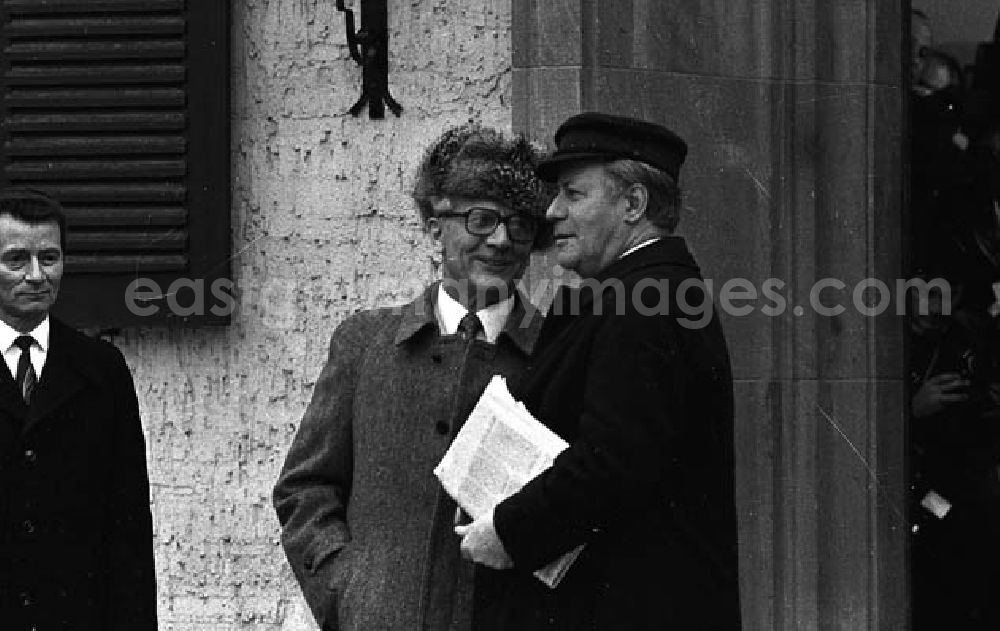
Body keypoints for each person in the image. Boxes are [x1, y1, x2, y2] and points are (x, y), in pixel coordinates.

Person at [456, 112, 741, 629]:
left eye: (573, 194)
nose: (553, 212)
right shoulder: (646, 292)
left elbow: (613, 462)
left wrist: (508, 532)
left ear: (633, 204)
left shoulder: (646, 300)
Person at [272, 124, 551, 631]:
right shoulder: (365, 342)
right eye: (481, 219)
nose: (502, 240)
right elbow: (305, 488)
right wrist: (347, 588)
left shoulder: (555, 353)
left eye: (520, 224)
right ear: (433, 226)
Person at [0, 188, 157, 630]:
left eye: (49, 258)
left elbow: (128, 531)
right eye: (16, 259)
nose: (35, 275)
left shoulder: (102, 371)